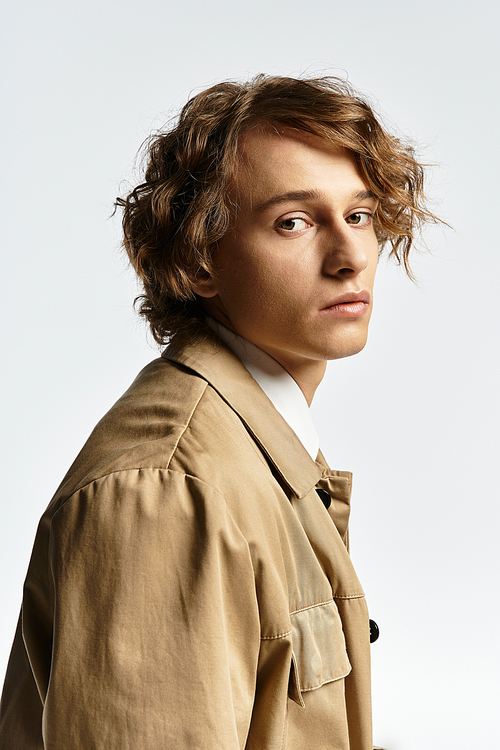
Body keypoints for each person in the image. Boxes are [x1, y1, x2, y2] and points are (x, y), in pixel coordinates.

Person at [0, 75, 436, 749]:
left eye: (359, 215)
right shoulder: (168, 494)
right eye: (294, 222)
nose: (351, 257)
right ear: (202, 260)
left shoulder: (253, 445)